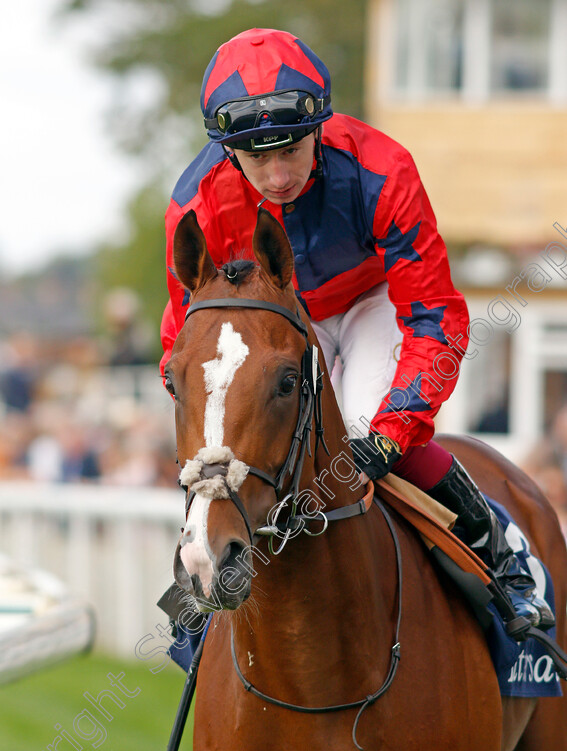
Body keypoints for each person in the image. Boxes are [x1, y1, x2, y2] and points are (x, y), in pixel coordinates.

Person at [160, 28, 552, 633]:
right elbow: (187, 331)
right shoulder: (198, 203)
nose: (277, 175)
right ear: (226, 151)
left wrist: (395, 431)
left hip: (373, 301)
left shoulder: (382, 169)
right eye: (256, 157)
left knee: (367, 437)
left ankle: (502, 555)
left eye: (290, 149)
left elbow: (436, 316)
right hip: (279, 316)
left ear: (320, 125)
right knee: (264, 447)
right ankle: (198, 599)